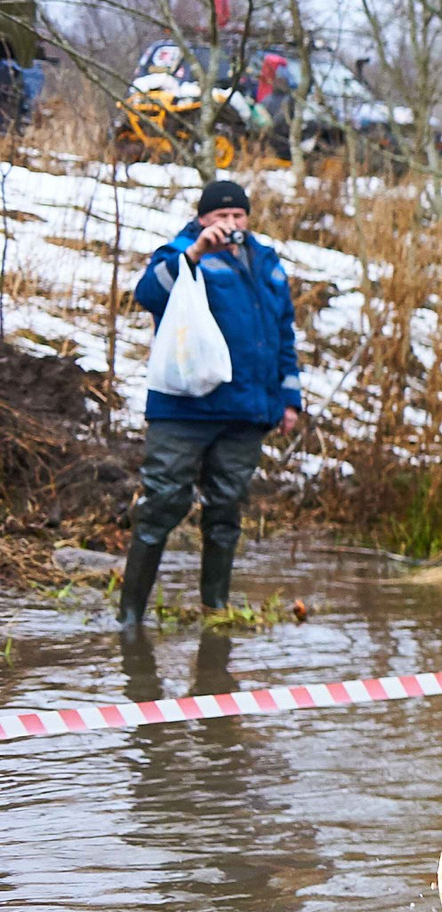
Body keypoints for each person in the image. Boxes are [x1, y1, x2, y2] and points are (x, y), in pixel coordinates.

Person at [121, 180, 305, 625]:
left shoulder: (265, 261)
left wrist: (288, 399)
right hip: (185, 409)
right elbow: (147, 293)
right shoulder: (181, 250)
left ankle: (215, 612)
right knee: (162, 504)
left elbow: (282, 331)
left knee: (226, 511)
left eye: (238, 216)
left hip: (246, 411)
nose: (230, 224)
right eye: (220, 216)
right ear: (203, 218)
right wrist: (196, 252)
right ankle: (129, 619)